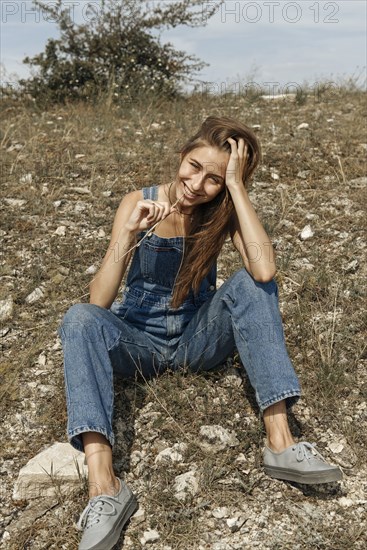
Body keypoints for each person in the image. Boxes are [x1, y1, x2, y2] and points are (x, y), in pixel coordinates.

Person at [58, 116, 343, 550]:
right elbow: (98, 302)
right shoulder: (138, 200)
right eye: (194, 167)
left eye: (214, 178)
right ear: (181, 157)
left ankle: (281, 443)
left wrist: (236, 188)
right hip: (140, 344)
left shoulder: (220, 211)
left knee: (253, 283)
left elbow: (264, 269)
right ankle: (105, 487)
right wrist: (131, 233)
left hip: (196, 340)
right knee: (78, 318)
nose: (197, 184)